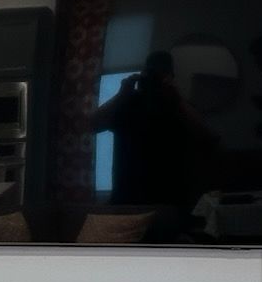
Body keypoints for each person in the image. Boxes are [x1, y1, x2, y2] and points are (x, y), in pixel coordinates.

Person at [90, 51, 217, 207]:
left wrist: (175, 98)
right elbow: (92, 126)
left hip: (168, 203)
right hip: (130, 202)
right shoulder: (127, 104)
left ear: (170, 77)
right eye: (151, 74)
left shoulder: (177, 106)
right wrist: (121, 95)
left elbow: (207, 138)